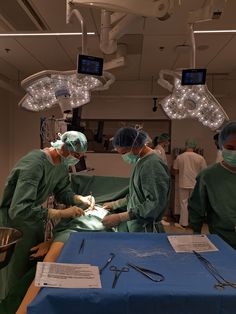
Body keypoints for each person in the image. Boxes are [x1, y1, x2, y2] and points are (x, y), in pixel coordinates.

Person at [0, 131, 95, 299]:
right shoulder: (35, 164)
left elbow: (62, 191)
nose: (78, 159)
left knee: (30, 271)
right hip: (15, 224)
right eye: (76, 155)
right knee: (15, 277)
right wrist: (58, 213)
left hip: (34, 221)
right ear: (65, 148)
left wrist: (78, 198)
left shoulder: (61, 164)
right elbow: (19, 209)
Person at [102, 127, 171, 232]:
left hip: (147, 229)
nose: (123, 156)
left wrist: (121, 217)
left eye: (124, 152)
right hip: (138, 225)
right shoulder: (142, 161)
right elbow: (136, 196)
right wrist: (115, 204)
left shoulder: (152, 164)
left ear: (135, 145)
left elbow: (154, 204)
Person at [188, 121, 236, 249]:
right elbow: (196, 207)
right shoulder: (209, 175)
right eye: (230, 148)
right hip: (223, 240)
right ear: (221, 146)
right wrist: (196, 233)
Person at [172, 139, 207, 228]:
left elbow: (175, 171)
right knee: (194, 204)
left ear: (186, 145)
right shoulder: (200, 158)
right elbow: (204, 172)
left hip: (183, 183)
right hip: (195, 184)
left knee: (184, 203)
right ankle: (194, 223)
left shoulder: (179, 157)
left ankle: (184, 223)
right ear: (195, 146)